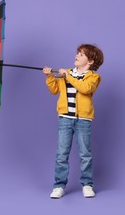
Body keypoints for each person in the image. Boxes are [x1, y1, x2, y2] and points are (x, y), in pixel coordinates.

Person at [42, 44, 104, 199]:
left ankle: (87, 184)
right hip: (65, 118)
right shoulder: (66, 73)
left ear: (90, 61)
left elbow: (85, 88)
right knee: (61, 154)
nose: (77, 55)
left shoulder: (93, 77)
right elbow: (54, 90)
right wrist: (50, 76)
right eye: (77, 53)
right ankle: (59, 186)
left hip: (83, 119)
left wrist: (67, 76)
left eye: (81, 54)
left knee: (85, 154)